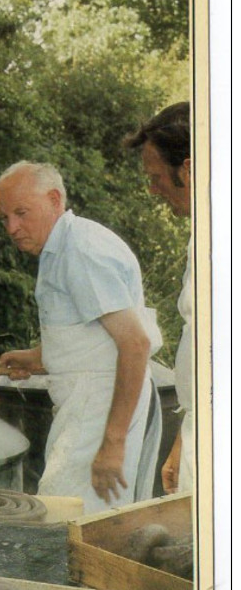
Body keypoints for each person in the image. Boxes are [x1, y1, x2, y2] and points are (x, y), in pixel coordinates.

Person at [0, 161, 162, 514]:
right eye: (5, 217)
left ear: (54, 200)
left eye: (21, 213)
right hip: (88, 404)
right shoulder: (62, 247)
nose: (12, 227)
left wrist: (112, 443)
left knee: (65, 519)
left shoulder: (80, 251)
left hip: (100, 408)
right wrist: (37, 357)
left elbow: (136, 344)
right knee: (72, 518)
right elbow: (91, 337)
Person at [123, 102, 192, 495]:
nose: (152, 189)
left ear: (189, 169)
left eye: (156, 177)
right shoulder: (203, 236)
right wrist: (185, 437)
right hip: (202, 430)